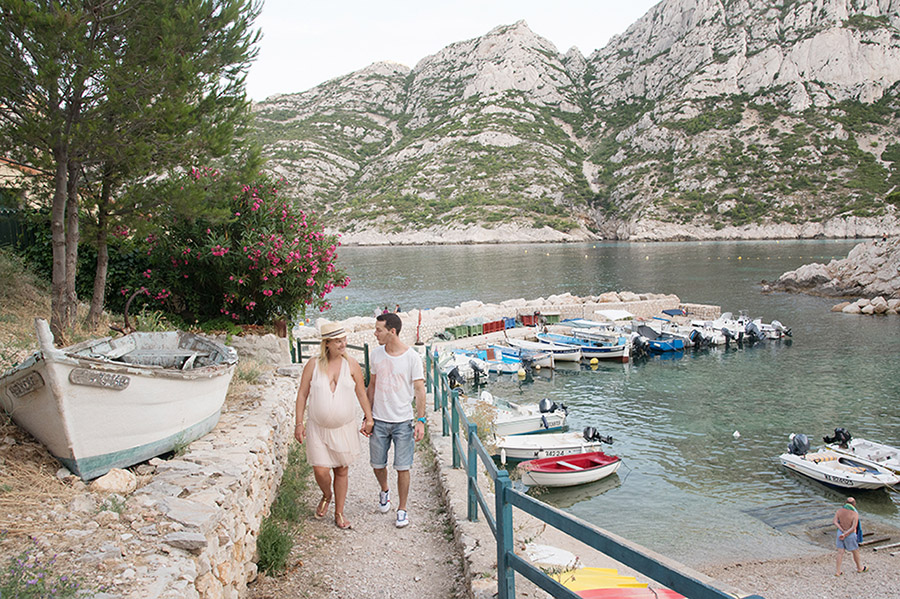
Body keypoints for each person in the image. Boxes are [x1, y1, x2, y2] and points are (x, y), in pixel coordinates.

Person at [295, 322, 374, 530]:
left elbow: (361, 393)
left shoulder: (352, 364)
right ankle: (326, 494)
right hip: (317, 428)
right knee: (320, 470)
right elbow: (302, 394)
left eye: (344, 339)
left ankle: (339, 512)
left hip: (344, 427)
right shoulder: (312, 364)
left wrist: (369, 417)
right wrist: (298, 423)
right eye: (338, 341)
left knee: (341, 470)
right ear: (327, 343)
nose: (343, 344)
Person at [365, 312, 426, 528]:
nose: (375, 333)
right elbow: (371, 385)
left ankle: (402, 508)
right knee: (377, 464)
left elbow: (420, 389)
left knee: (403, 466)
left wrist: (421, 420)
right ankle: (384, 490)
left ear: (392, 331)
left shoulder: (412, 358)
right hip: (379, 420)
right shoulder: (376, 355)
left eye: (379, 330)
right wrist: (367, 415)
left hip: (403, 421)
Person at [833, 497, 867, 575]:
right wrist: (846, 533)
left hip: (840, 533)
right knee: (855, 551)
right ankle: (859, 568)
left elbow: (835, 522)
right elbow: (853, 527)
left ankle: (838, 571)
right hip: (850, 534)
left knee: (840, 552)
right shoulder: (854, 513)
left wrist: (842, 530)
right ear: (854, 504)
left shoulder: (839, 511)